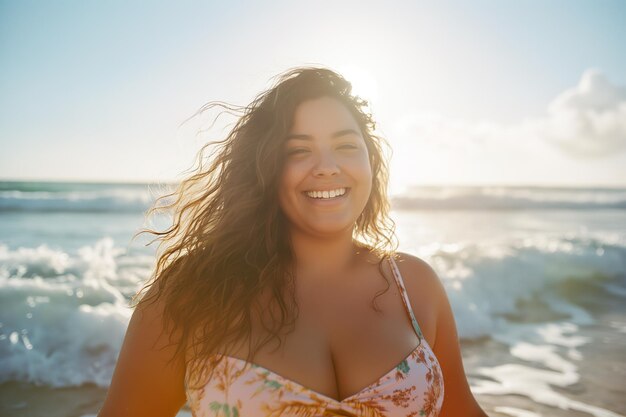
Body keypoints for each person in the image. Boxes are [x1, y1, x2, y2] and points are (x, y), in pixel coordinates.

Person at [98, 66, 488, 417]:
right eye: (299, 150)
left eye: (346, 146)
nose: (327, 167)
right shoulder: (188, 293)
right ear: (265, 169)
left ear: (371, 160)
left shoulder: (415, 284)